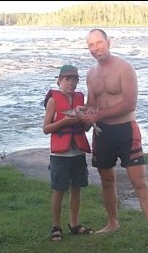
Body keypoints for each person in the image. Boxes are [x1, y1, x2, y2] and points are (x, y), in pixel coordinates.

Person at [80, 29, 148, 249]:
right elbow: (92, 103)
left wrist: (96, 114)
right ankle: (112, 222)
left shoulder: (124, 68)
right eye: (91, 45)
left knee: (139, 182)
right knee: (107, 180)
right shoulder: (91, 74)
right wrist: (83, 112)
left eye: (99, 42)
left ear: (109, 42)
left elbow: (129, 104)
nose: (96, 48)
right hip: (103, 134)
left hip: (126, 131)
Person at [43, 64, 93, 241]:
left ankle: (74, 224)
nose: (71, 83)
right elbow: (46, 128)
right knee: (59, 190)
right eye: (67, 79)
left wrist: (88, 122)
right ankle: (56, 227)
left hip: (77, 153)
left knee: (77, 188)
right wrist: (64, 122)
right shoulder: (53, 100)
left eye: (75, 79)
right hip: (60, 156)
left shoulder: (80, 98)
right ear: (59, 80)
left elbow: (85, 128)